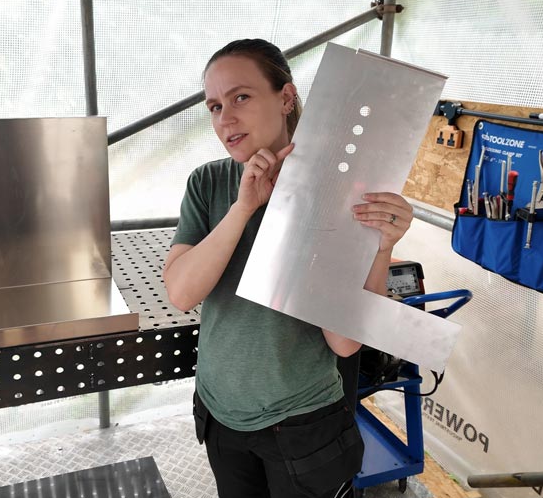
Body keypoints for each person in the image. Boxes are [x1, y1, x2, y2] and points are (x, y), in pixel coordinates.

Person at [163, 38, 414, 498]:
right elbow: (181, 292)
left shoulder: (338, 189)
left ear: (285, 97)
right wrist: (243, 208)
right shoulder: (209, 183)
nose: (226, 118)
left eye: (241, 96)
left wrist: (380, 249)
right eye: (214, 106)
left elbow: (345, 341)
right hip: (221, 414)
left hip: (303, 426)